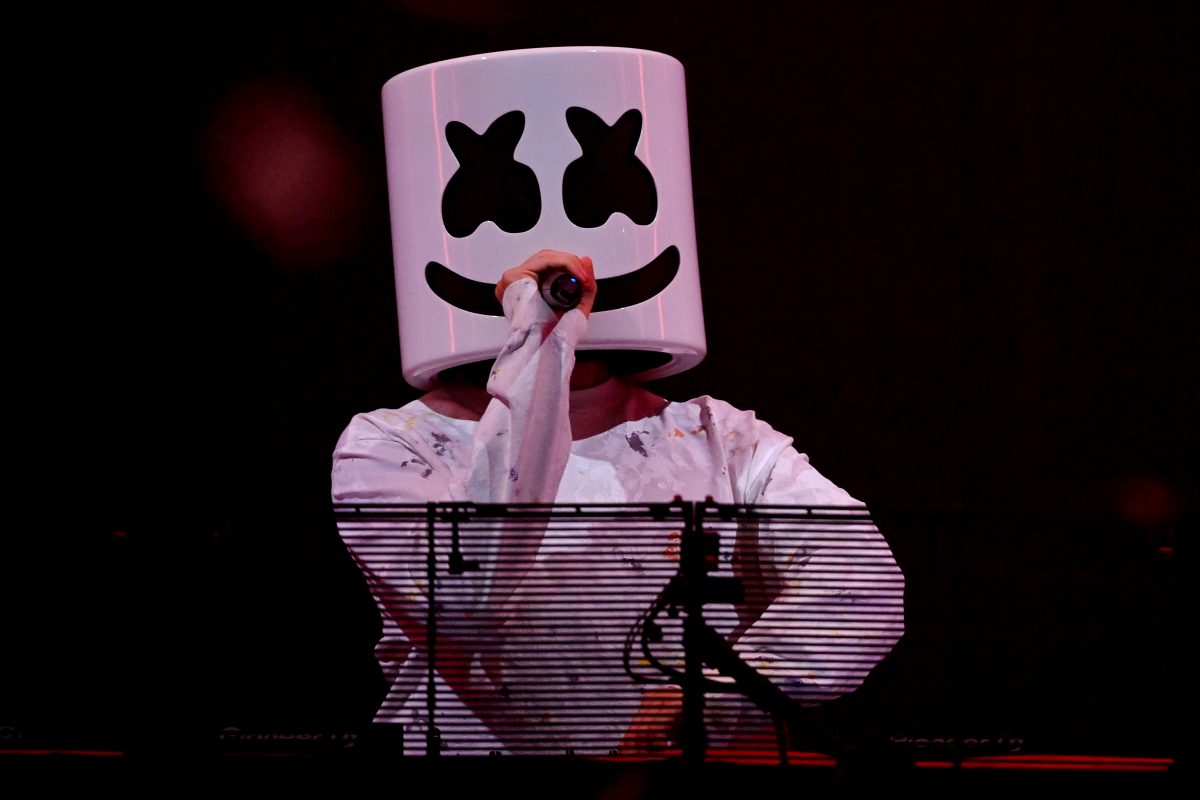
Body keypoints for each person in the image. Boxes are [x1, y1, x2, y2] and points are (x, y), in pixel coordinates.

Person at [332, 249, 906, 757]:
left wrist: (714, 690)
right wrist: (537, 344)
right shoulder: (389, 443)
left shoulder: (720, 435)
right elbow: (466, 606)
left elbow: (861, 584)